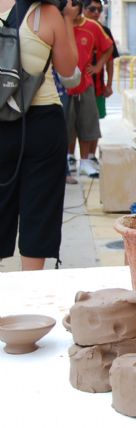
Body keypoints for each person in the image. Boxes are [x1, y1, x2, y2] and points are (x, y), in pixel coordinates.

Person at [0, 0, 79, 270]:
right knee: (40, 210)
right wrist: (67, 18)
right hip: (42, 121)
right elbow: (69, 74)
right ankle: (29, 293)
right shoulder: (47, 14)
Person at [65, 0, 112, 178]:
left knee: (87, 122)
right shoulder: (61, 24)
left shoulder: (92, 26)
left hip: (85, 83)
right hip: (62, 84)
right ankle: (69, 158)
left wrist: (99, 65)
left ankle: (85, 161)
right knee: (67, 124)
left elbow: (108, 48)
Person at [82, 0, 119, 120]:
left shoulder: (105, 31)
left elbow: (110, 60)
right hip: (76, 87)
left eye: (99, 9)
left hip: (97, 87)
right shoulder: (74, 28)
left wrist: (108, 85)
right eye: (92, 9)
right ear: (83, 9)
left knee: (94, 127)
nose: (96, 12)